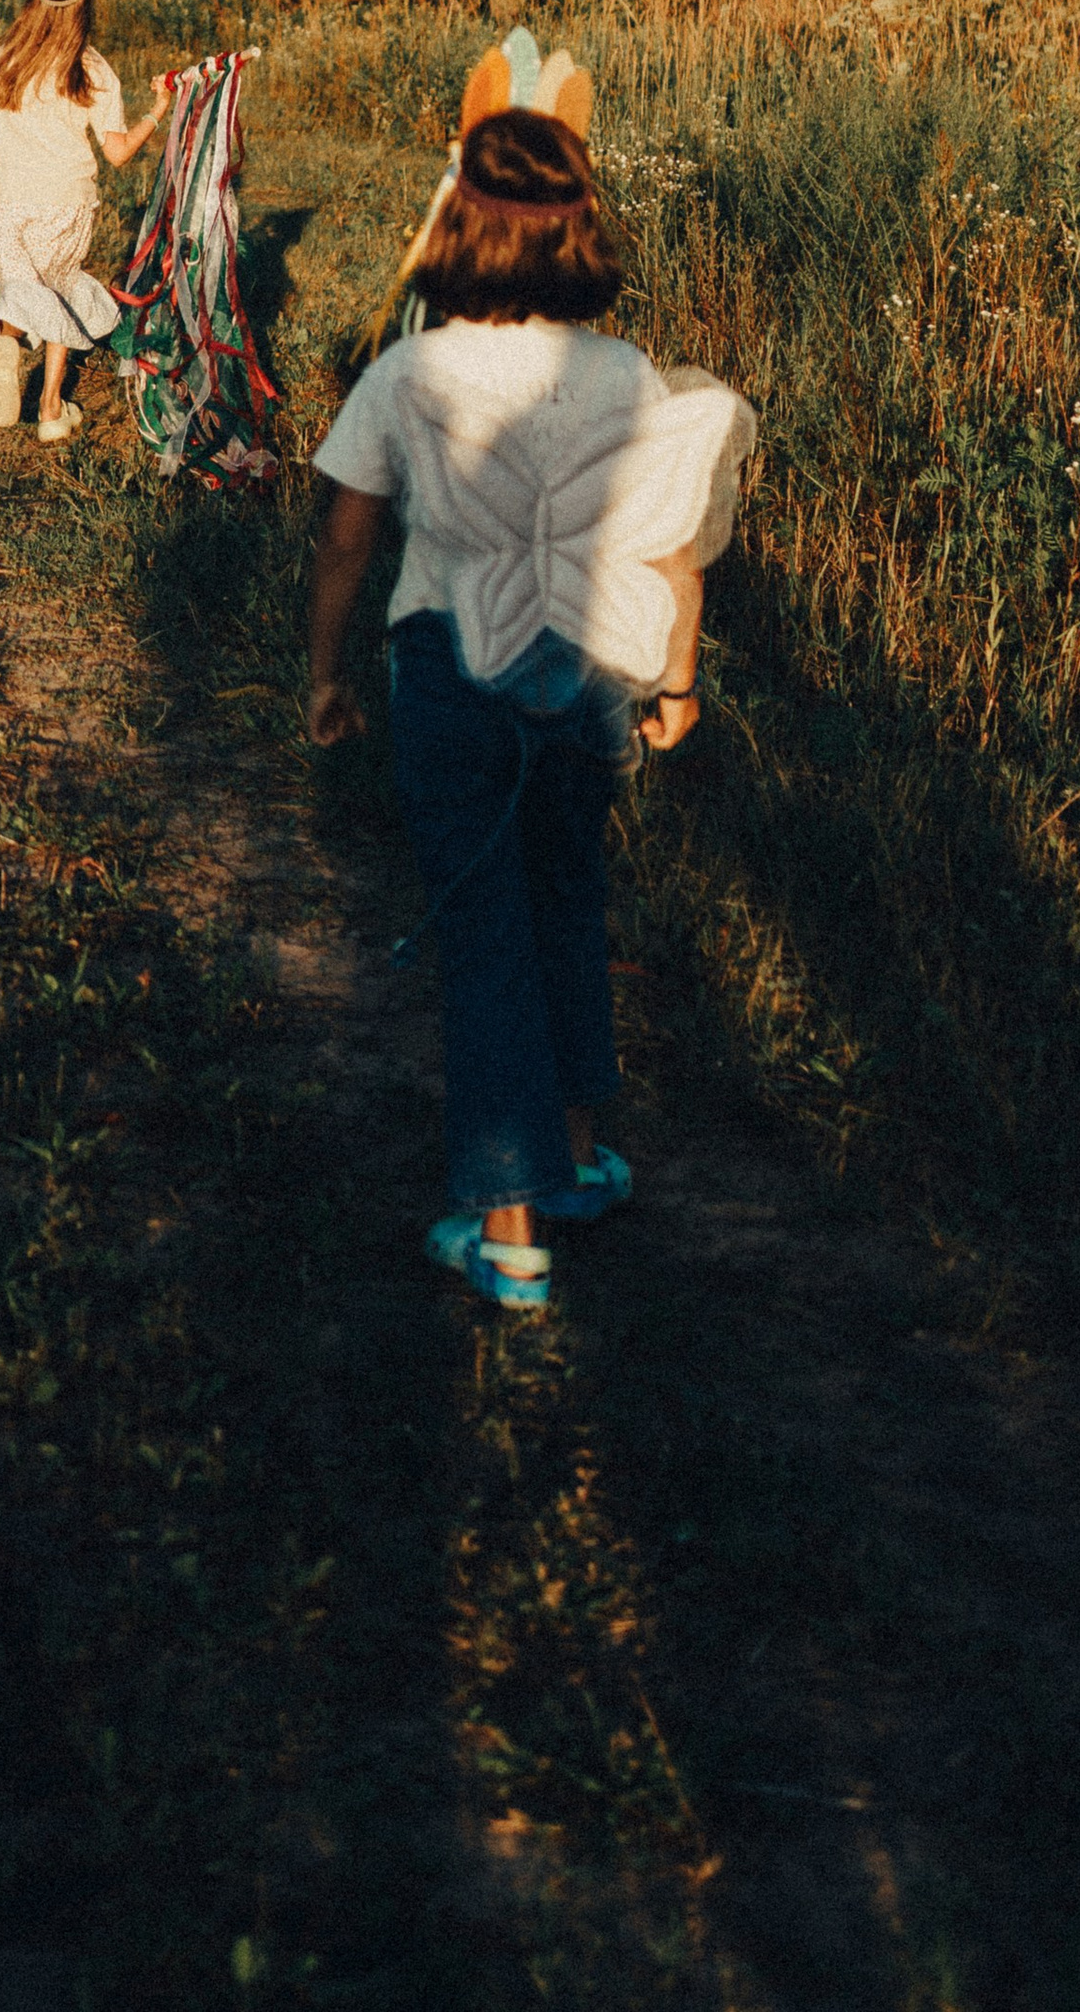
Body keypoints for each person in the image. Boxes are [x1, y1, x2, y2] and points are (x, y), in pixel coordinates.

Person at [306, 107, 755, 1314]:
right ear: (580, 228)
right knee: (566, 898)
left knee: (482, 929)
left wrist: (324, 671)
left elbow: (346, 534)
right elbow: (669, 546)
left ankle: (505, 1225)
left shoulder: (408, 371)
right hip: (593, 676)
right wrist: (677, 681)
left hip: (452, 667)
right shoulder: (619, 372)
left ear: (453, 223)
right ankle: (571, 1159)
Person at [0, 0, 168, 446]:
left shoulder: (4, 60)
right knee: (57, 288)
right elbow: (117, 153)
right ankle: (52, 410)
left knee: (20, 286)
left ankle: (7, 341)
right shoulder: (93, 70)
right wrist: (158, 110)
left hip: (11, 199)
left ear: (31, 0)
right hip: (67, 205)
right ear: (85, 3)